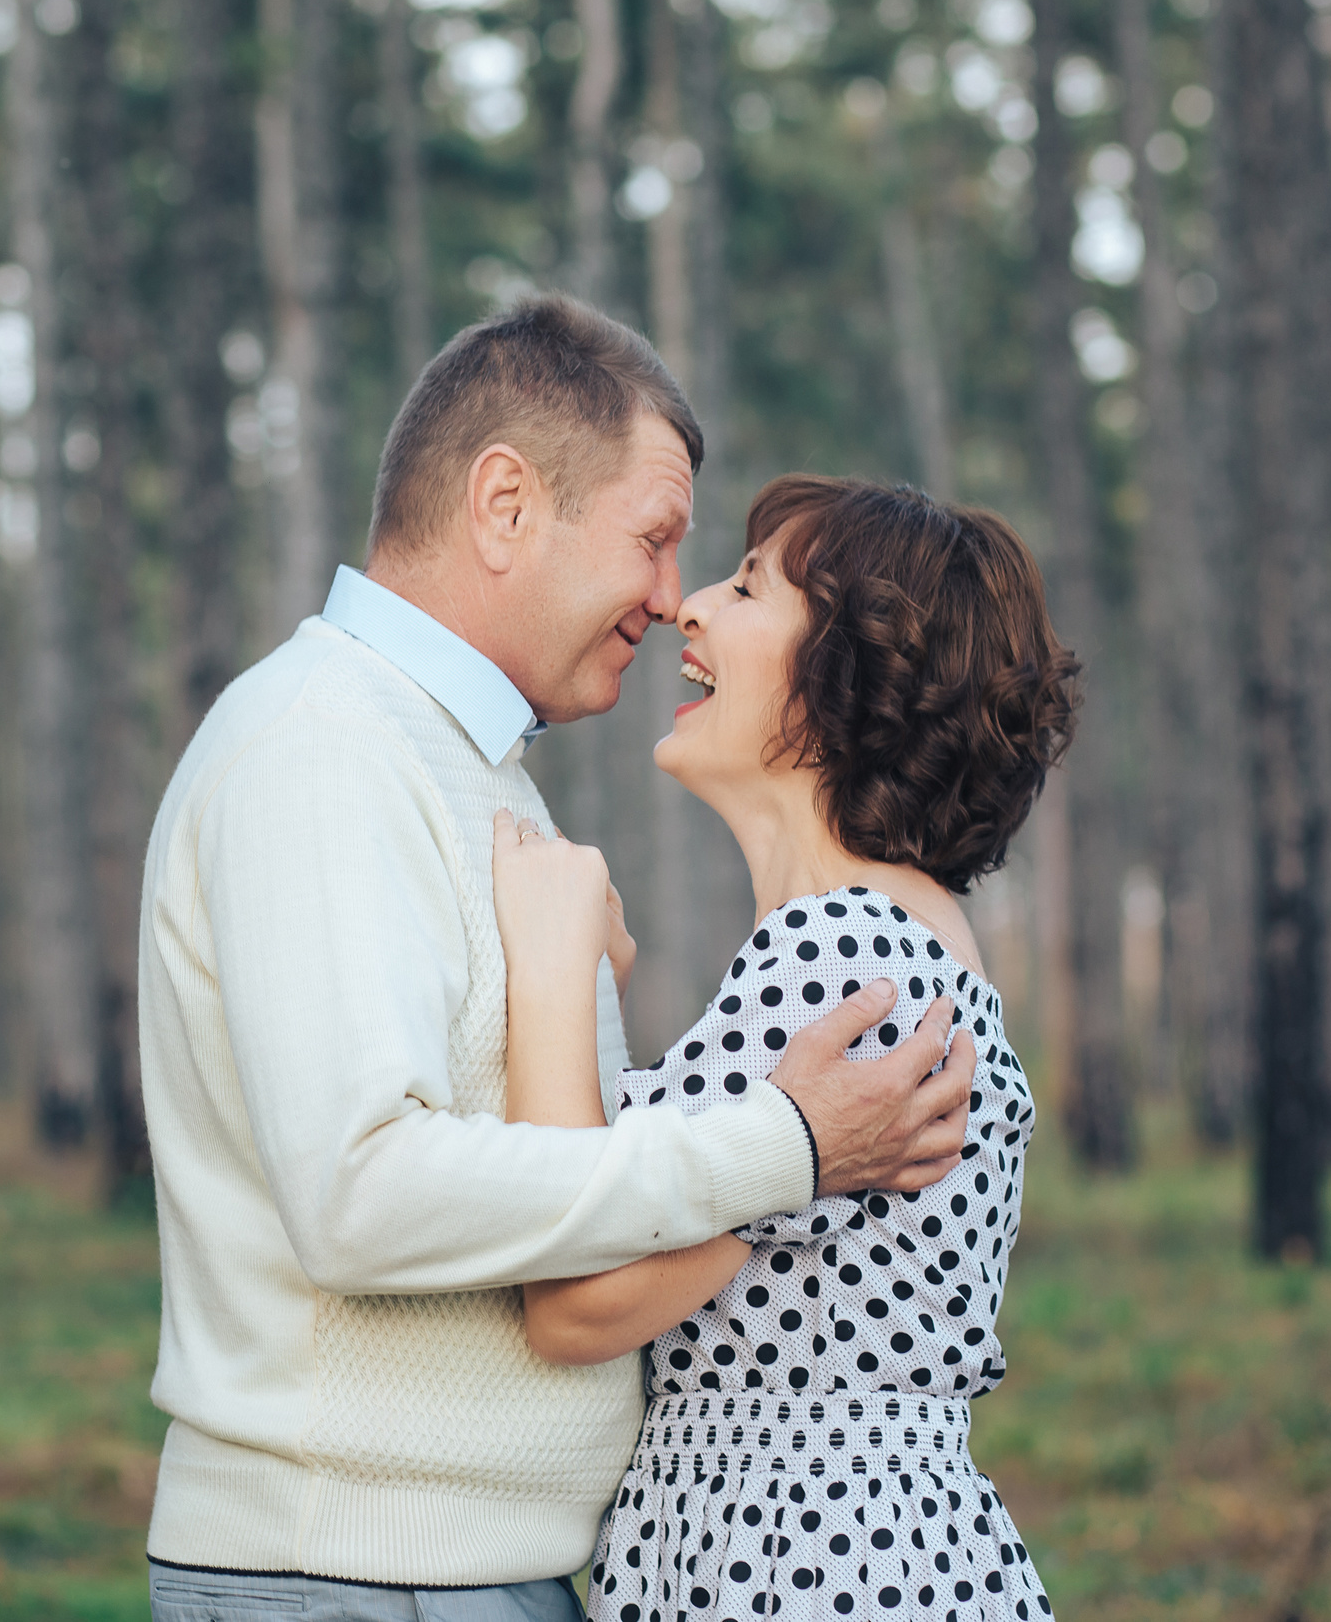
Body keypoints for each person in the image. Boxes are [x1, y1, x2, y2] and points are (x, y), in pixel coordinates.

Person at [137, 298, 980, 1621]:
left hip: (449, 1569)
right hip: (360, 1569)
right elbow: (357, 1188)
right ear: (506, 502)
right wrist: (784, 1144)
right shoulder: (323, 747)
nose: (666, 596)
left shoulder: (463, 770)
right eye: (653, 538)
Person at [490, 474, 1077, 1622]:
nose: (687, 607)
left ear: (853, 675)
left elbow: (574, 1299)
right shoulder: (889, 947)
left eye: (749, 586)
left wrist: (552, 973)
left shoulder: (838, 959)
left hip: (800, 1567)